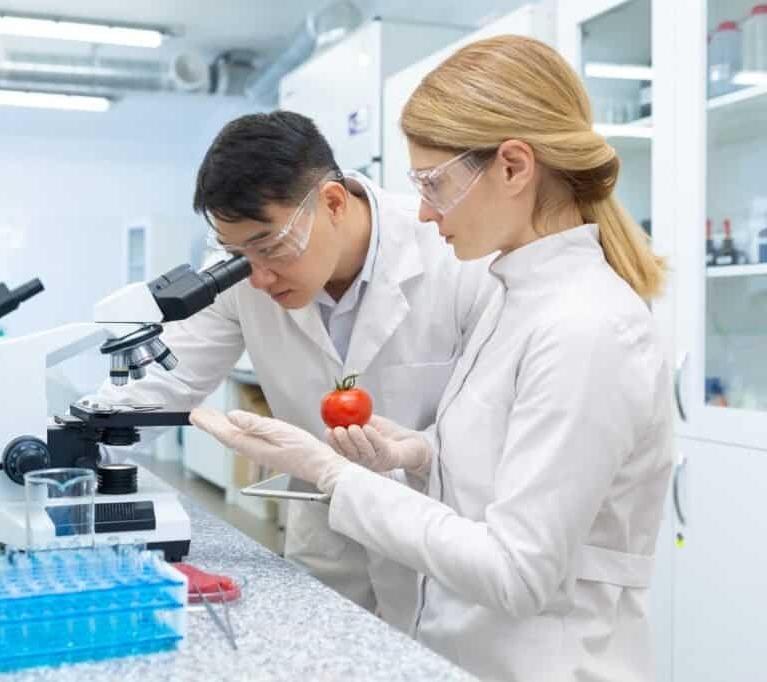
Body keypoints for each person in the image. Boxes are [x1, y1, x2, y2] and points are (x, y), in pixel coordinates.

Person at [191, 35, 672, 682]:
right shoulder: (517, 296)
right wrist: (413, 452)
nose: (420, 210)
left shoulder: (589, 327)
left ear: (513, 167)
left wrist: (333, 476)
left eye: (435, 183)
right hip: (459, 651)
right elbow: (500, 456)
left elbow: (517, 570)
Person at [96, 110, 496, 631]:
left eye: (269, 248)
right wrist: (70, 453)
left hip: (439, 547)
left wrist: (410, 452)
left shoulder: (450, 252)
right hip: (327, 537)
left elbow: (490, 435)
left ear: (331, 203)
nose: (256, 276)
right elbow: (160, 384)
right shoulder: (242, 272)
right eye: (238, 254)